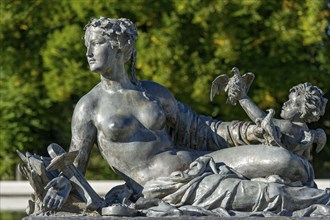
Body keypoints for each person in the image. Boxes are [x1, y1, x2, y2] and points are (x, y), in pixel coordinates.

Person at [42, 17, 329, 216]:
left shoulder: (154, 92)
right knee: (270, 196)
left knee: (291, 163)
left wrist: (250, 131)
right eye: (87, 45)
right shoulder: (89, 106)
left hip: (201, 162)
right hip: (165, 187)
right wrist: (61, 182)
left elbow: (202, 130)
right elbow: (73, 165)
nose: (88, 52)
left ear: (120, 47)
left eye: (96, 44)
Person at [235, 81, 327, 159]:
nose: (285, 103)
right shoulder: (305, 130)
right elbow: (305, 158)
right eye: (288, 100)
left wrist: (242, 97)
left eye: (291, 103)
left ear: (302, 111)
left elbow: (261, 118)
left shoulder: (289, 126)